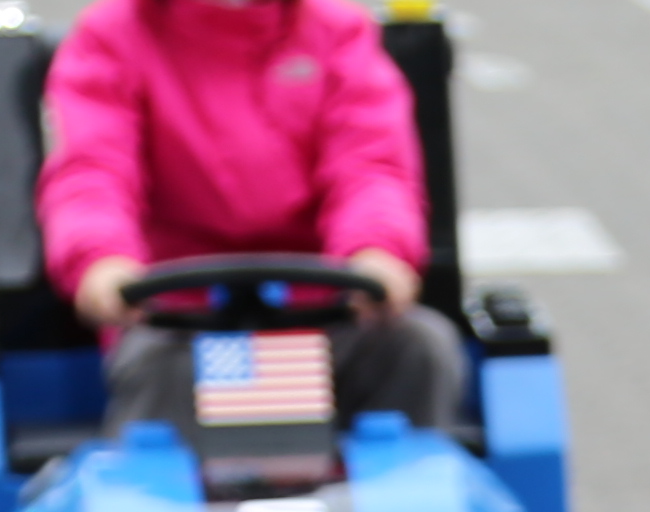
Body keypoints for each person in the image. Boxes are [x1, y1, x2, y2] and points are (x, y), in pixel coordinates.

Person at [37, 0, 474, 440]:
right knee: (158, 370)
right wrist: (101, 259)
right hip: (175, 319)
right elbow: (93, 169)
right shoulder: (112, 34)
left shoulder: (335, 29)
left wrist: (376, 249)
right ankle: (155, 503)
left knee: (418, 348)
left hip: (329, 309)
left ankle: (401, 501)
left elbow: (370, 166)